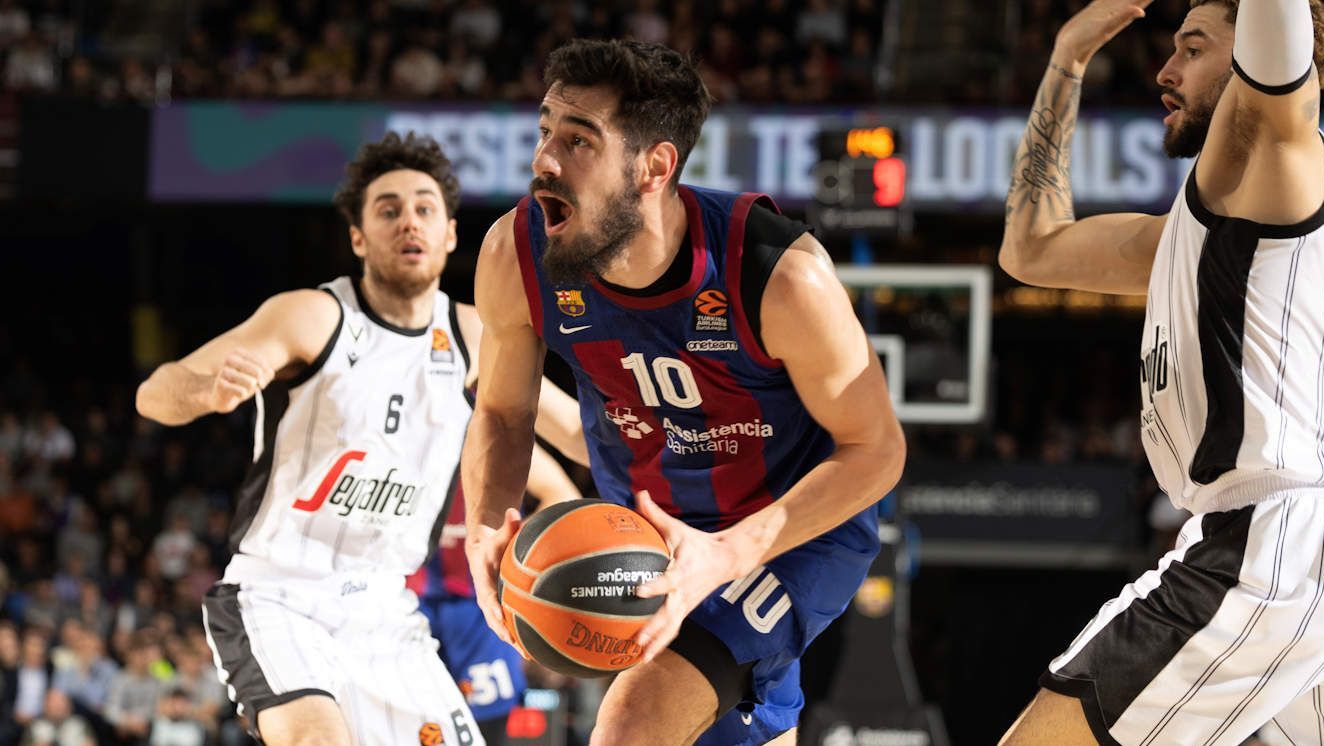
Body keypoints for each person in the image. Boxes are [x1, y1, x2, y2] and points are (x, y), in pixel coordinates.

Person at [461, 39, 906, 746]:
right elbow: (503, 411)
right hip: (644, 531)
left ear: (655, 167)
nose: (544, 159)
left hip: (788, 533)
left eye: (579, 140)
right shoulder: (514, 253)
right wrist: (486, 527)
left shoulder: (778, 275)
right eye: (545, 131)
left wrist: (729, 553)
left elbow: (877, 450)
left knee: (633, 723)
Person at [135, 131, 585, 746]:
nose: (409, 222)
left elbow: (578, 432)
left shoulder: (473, 336)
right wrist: (207, 392)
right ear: (358, 238)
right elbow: (155, 392)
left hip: (385, 610)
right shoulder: (312, 316)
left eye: (424, 209)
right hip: (280, 597)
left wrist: (682, 461)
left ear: (450, 234)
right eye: (388, 210)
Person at [999, 0, 1324, 743]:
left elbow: (1278, 63)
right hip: (1281, 543)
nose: (1165, 70)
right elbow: (1031, 249)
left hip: (1270, 540)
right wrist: (1067, 59)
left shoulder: (1279, 159)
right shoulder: (1212, 232)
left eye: (1194, 49)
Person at [409, 441, 585, 746]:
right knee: (408, 717)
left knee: (486, 717)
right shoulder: (398, 434)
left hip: (479, 605)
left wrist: (514, 549)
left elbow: (564, 495)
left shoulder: (484, 431)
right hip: (404, 600)